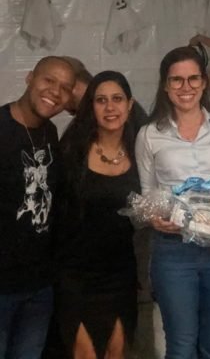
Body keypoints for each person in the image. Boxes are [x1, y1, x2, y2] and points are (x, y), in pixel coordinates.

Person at [135, 46, 210, 359]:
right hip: (174, 252)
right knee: (181, 347)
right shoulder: (149, 134)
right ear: (165, 85)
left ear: (204, 82)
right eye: (176, 80)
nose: (186, 87)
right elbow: (148, 193)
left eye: (193, 78)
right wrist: (154, 218)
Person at [54, 71, 141, 359]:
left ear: (130, 105)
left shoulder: (142, 152)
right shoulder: (71, 151)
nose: (110, 107)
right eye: (101, 100)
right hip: (75, 276)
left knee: (115, 352)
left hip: (121, 275)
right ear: (90, 106)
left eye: (117, 99)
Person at [0, 56, 75, 359]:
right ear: (30, 77)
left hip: (39, 286)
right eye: (49, 80)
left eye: (65, 88)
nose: (56, 91)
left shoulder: (50, 133)